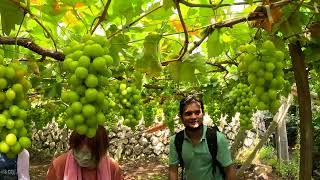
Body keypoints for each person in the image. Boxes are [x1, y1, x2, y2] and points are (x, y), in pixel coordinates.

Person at [169, 95, 236, 180]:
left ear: (203, 114)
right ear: (181, 117)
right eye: (188, 113)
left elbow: (229, 170)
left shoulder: (218, 139)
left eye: (197, 112)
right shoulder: (176, 141)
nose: (193, 117)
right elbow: (173, 171)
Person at [46, 125, 123, 180]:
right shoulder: (59, 165)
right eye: (77, 151)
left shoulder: (112, 168)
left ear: (102, 151)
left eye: (88, 153)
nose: (82, 158)